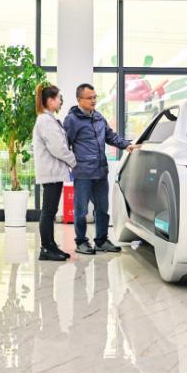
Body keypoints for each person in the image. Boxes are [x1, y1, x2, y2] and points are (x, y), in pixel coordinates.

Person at [63, 83, 140, 255]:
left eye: (95, 97)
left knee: (102, 208)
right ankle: (81, 242)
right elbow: (64, 144)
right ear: (79, 100)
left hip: (100, 171)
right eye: (89, 98)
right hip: (83, 173)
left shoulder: (98, 117)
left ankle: (101, 240)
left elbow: (110, 136)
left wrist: (126, 145)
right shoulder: (72, 120)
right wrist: (71, 164)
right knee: (81, 210)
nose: (93, 100)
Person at [32, 84, 77, 261]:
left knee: (50, 210)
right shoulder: (45, 121)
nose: (60, 101)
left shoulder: (48, 119)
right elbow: (58, 148)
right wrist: (74, 162)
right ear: (50, 101)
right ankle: (46, 248)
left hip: (53, 172)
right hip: (51, 173)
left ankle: (51, 245)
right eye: (58, 98)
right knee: (48, 211)